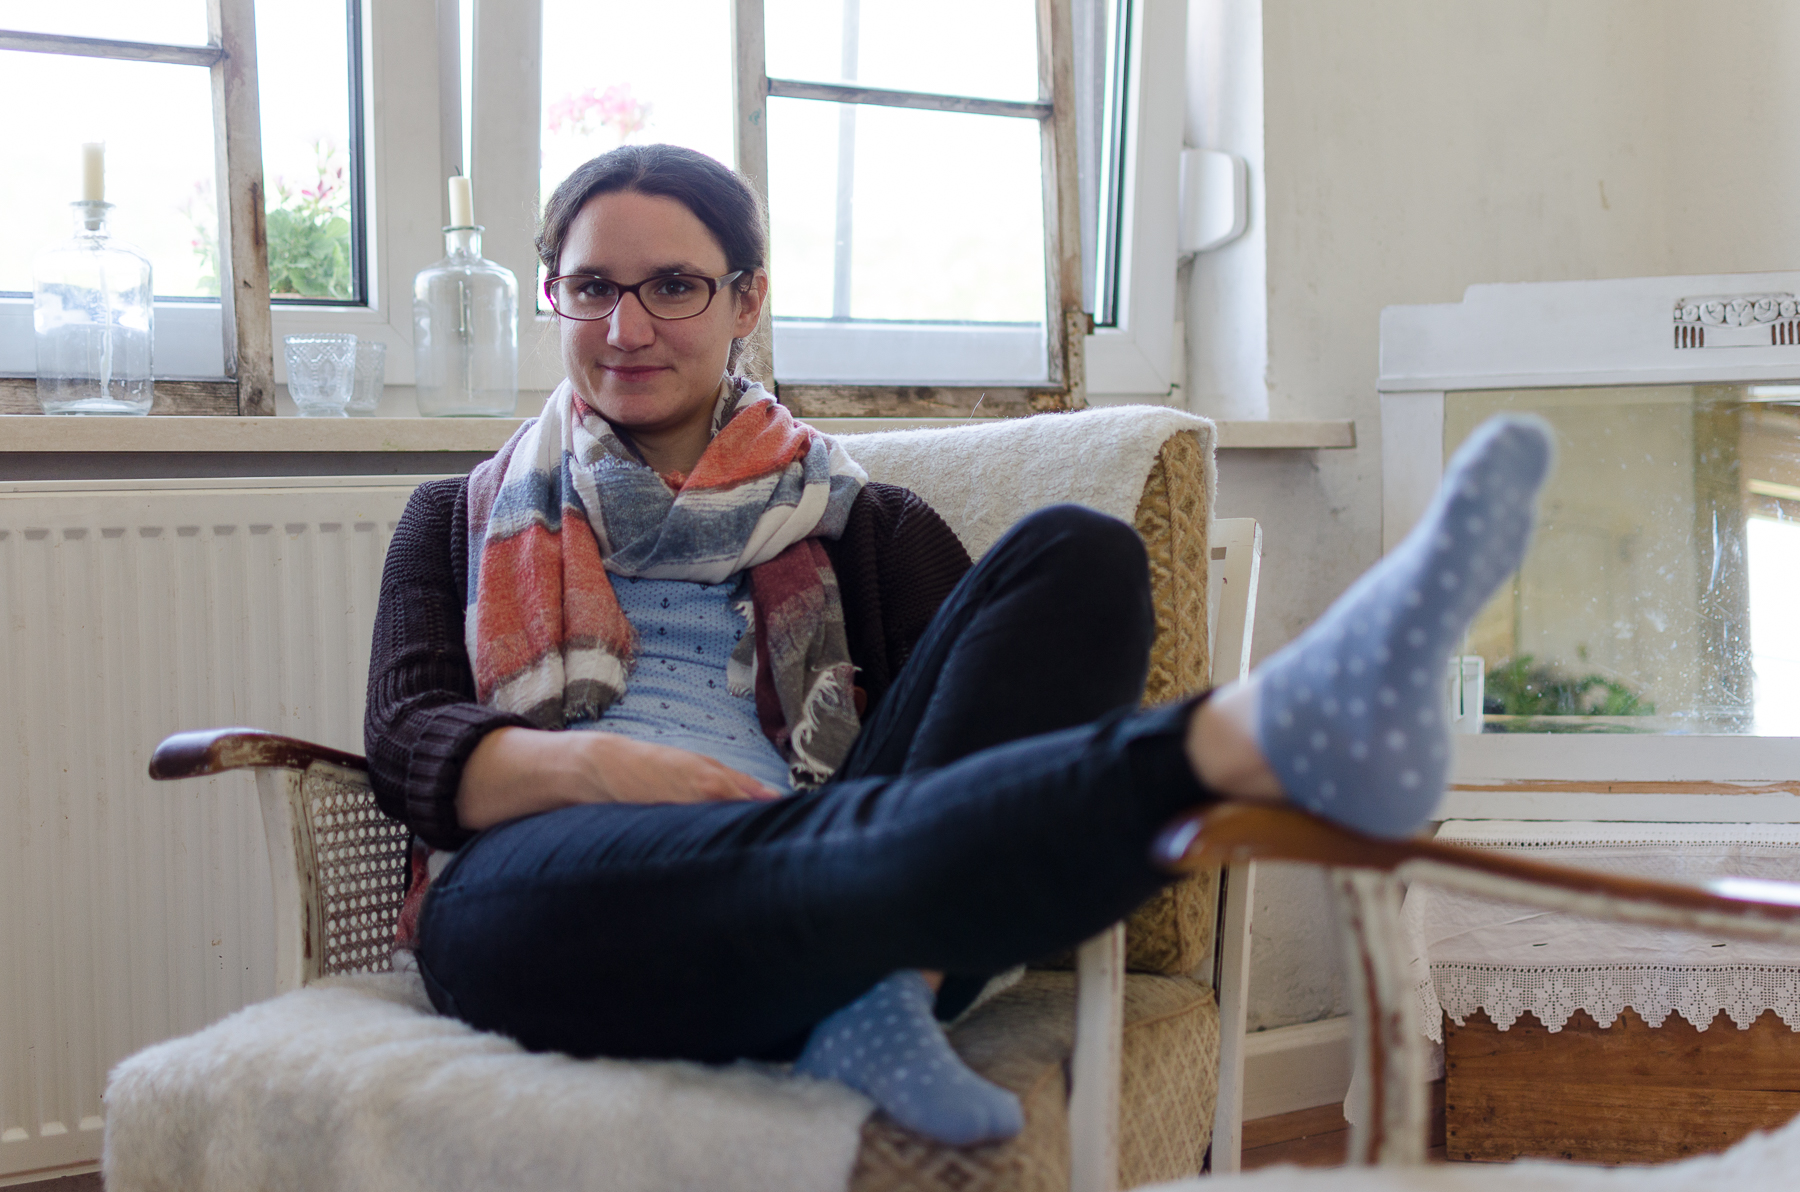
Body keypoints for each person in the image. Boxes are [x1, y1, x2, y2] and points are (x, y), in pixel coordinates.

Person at [366, 143, 1552, 1148]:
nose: (627, 327)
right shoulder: (458, 517)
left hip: (848, 869)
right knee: (884, 856)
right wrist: (610, 769)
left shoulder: (865, 524)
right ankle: (1240, 741)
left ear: (747, 299)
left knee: (1079, 553)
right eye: (591, 288)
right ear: (553, 297)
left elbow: (994, 749)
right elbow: (410, 742)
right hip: (558, 891)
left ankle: (894, 984)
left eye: (674, 285)